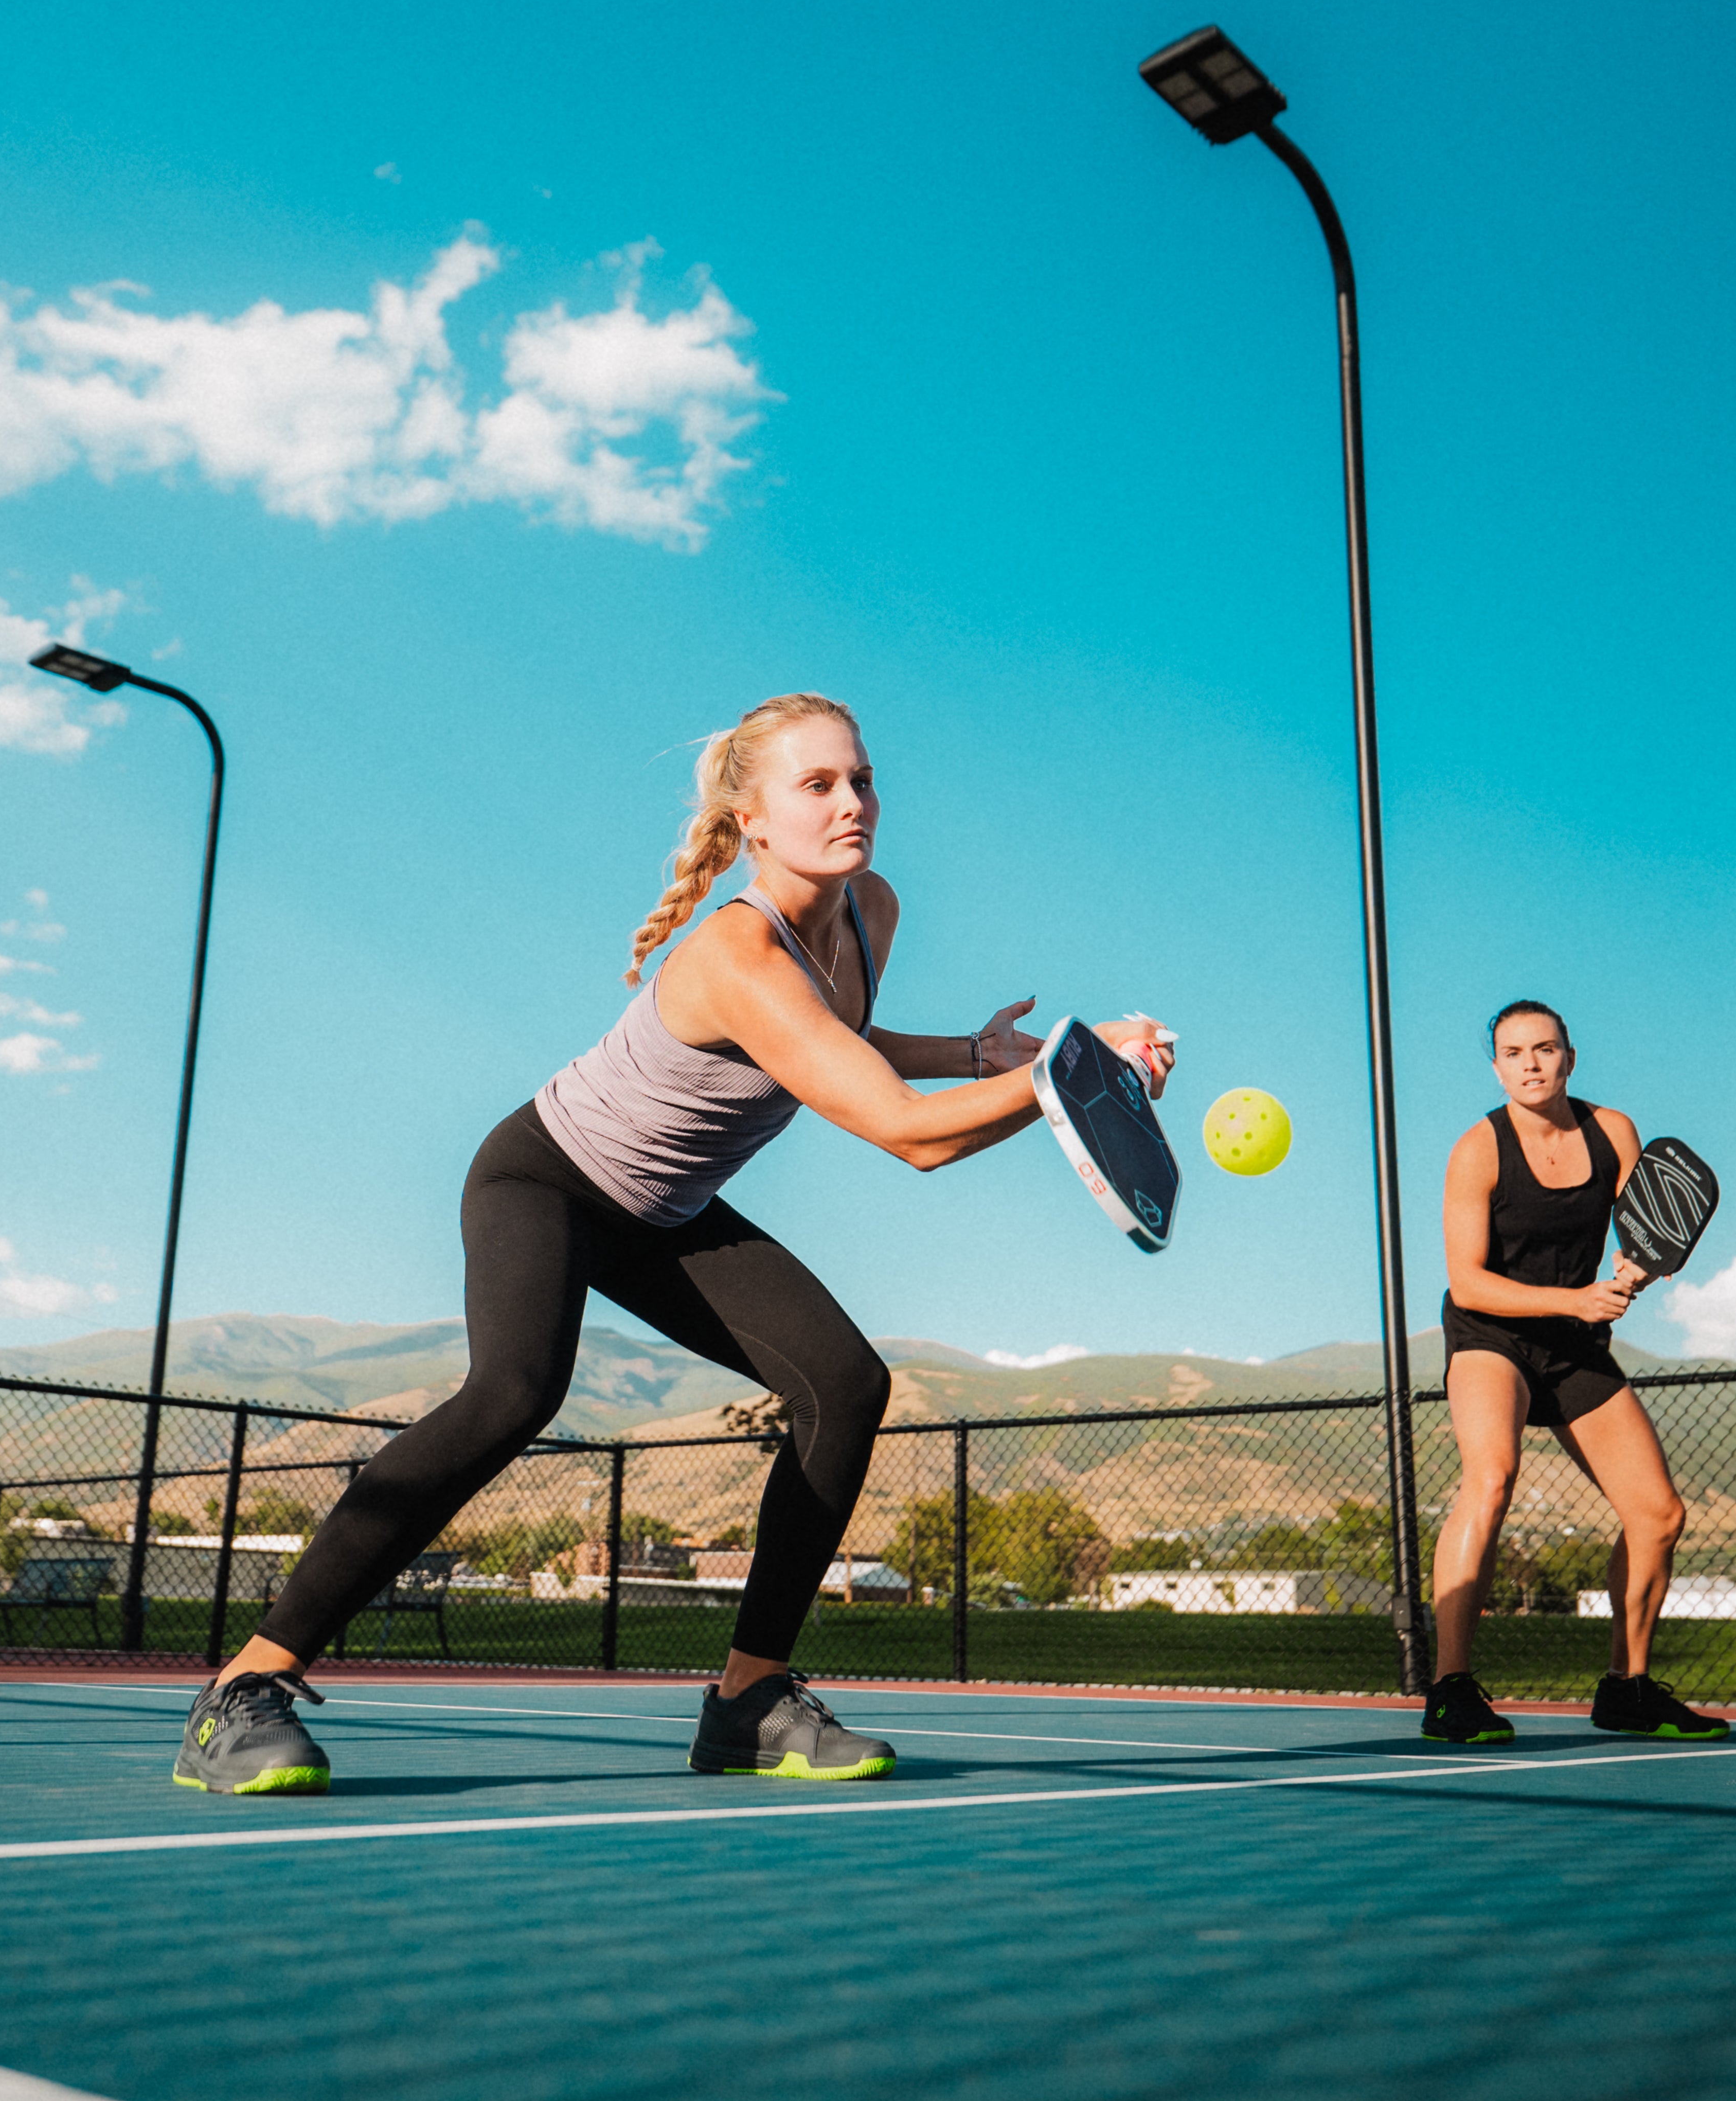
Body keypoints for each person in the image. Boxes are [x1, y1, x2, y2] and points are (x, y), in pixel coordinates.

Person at [173, 691, 1175, 1795]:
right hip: (545, 1176)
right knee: (514, 1392)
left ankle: (748, 1698)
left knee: (843, 1384)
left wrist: (982, 1052)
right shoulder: (733, 953)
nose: (853, 804)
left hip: (665, 1206)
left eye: (862, 779)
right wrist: (1063, 1080)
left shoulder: (869, 910)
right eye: (818, 785)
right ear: (751, 821)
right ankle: (246, 1685)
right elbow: (905, 1135)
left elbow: (835, 1033)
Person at [1424, 999, 1727, 1746]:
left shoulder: (1613, 1132)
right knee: (1490, 1476)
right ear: (1494, 1067)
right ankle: (1448, 1689)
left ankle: (1626, 1689)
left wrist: (1634, 1277)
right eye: (1513, 1052)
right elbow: (1466, 1283)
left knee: (1658, 1515)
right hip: (1490, 1335)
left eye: (1544, 1049)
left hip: (1574, 1343)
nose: (1529, 1063)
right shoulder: (1478, 1151)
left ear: (1569, 1057)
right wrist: (1576, 1298)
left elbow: (1646, 1228)